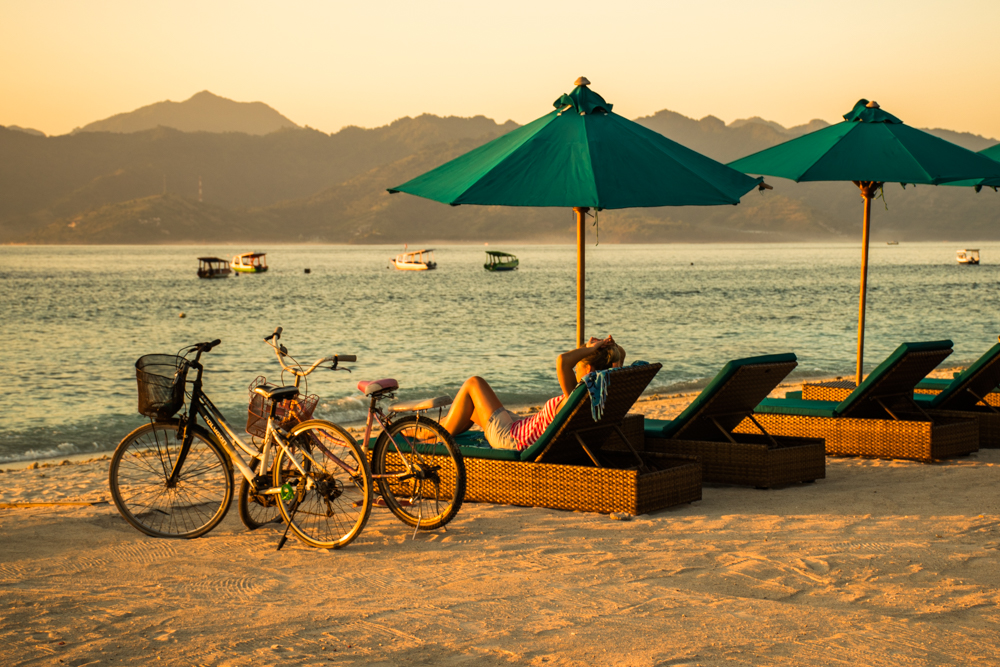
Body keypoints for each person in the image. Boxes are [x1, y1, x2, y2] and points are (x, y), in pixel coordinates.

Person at [439, 336, 626, 451]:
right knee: (470, 408)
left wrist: (590, 348)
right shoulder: (603, 392)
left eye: (578, 365)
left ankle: (427, 433)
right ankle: (430, 432)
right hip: (520, 426)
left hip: (513, 439)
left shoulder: (577, 395)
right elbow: (620, 356)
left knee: (474, 383)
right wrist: (606, 346)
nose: (575, 368)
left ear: (588, 368)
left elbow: (562, 361)